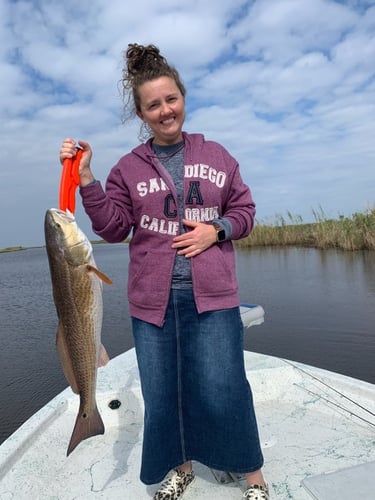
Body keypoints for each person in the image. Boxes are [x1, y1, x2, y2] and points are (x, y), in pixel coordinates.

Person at [60, 43, 269, 500]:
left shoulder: (217, 156)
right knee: (162, 393)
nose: (164, 110)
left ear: (183, 98)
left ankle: (251, 475)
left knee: (225, 386)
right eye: (153, 104)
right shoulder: (128, 168)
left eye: (170, 99)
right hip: (152, 304)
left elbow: (246, 211)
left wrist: (216, 230)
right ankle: (181, 467)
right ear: (141, 113)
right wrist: (89, 180)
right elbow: (114, 228)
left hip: (212, 296)